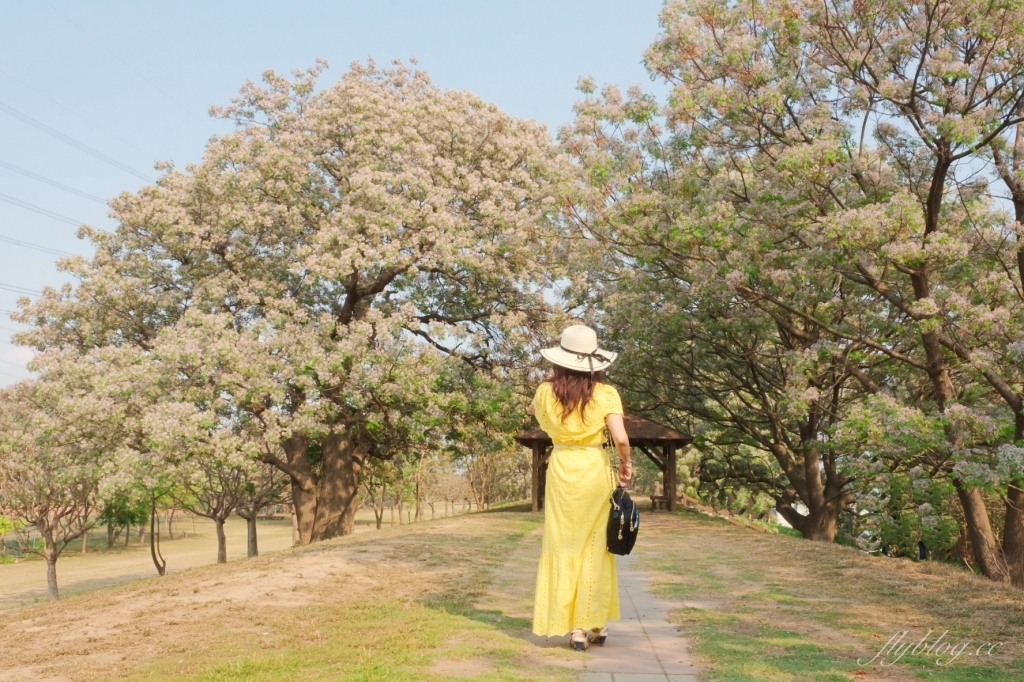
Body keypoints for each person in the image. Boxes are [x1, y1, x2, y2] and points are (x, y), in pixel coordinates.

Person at [528, 324, 632, 651]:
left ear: (560, 359)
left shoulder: (546, 392)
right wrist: (625, 463)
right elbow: (621, 438)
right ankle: (594, 624)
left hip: (560, 468)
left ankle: (572, 628)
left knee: (563, 544)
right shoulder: (605, 394)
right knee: (594, 548)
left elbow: (535, 414)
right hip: (593, 469)